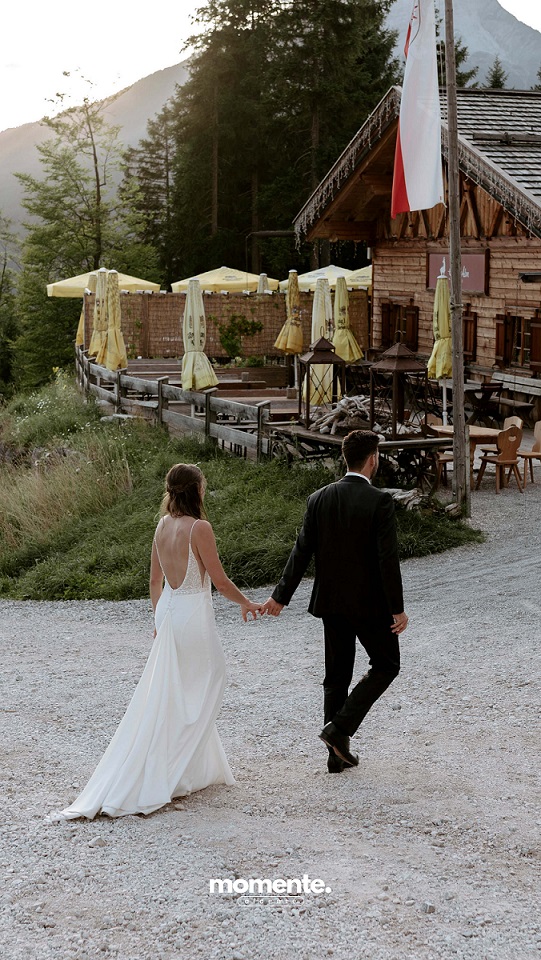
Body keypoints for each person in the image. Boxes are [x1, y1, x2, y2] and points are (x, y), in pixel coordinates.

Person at [53, 463, 261, 820]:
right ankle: (172, 766)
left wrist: (158, 618)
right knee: (209, 680)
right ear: (196, 489)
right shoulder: (200, 528)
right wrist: (248, 603)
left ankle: (194, 769)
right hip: (192, 614)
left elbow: (154, 582)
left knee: (173, 690)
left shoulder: (162, 526)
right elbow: (220, 581)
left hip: (169, 611)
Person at [263, 430, 408, 773]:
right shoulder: (380, 501)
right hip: (370, 604)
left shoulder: (318, 498)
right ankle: (339, 730)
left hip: (331, 602)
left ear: (346, 458)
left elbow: (301, 552)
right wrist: (398, 608)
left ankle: (335, 756)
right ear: (373, 458)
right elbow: (387, 559)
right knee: (387, 665)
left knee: (336, 676)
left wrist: (279, 596)